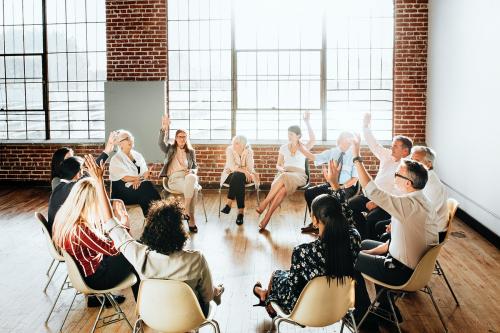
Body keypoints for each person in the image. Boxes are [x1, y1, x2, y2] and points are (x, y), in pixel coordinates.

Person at [350, 134, 439, 324]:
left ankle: (363, 316)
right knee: (364, 243)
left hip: (401, 271)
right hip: (410, 263)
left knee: (351, 259)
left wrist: (356, 157)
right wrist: (370, 251)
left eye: (397, 174)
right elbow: (395, 242)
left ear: (408, 183)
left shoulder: (407, 205)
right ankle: (386, 308)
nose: (394, 176)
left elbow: (372, 190)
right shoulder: (420, 200)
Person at [103, 198, 224, 316]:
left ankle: (216, 291)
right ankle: (217, 291)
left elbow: (114, 229)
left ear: (150, 228)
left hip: (153, 316)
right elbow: (207, 296)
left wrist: (99, 182)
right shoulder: (196, 259)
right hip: (189, 317)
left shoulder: (139, 256)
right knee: (207, 292)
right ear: (179, 229)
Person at [252, 192, 359, 318]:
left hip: (308, 311)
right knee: (286, 276)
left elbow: (292, 287)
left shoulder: (302, 251)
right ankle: (264, 295)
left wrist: (276, 278)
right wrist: (334, 184)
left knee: (276, 275)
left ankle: (265, 296)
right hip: (340, 307)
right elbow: (349, 218)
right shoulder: (355, 237)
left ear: (314, 220)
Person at [52, 155, 140, 304]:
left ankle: (144, 304)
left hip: (87, 269)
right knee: (134, 252)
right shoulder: (80, 228)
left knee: (134, 249)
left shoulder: (66, 216)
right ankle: (144, 306)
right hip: (96, 278)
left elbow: (98, 244)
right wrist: (123, 224)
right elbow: (113, 249)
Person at [348, 113, 413, 239]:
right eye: (392, 144)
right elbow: (374, 144)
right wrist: (365, 126)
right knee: (351, 204)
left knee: (372, 218)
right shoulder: (387, 155)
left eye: (395, 146)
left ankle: (369, 243)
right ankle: (363, 236)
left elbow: (399, 193)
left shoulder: (407, 167)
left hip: (388, 203)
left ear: (405, 151)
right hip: (372, 195)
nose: (391, 147)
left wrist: (378, 203)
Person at [255, 112, 315, 230]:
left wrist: (307, 122)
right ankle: (267, 217)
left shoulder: (304, 147)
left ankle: (264, 203)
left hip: (299, 175)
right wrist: (282, 169)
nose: (289, 136)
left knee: (283, 178)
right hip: (285, 173)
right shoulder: (283, 147)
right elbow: (278, 165)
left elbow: (313, 139)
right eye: (288, 134)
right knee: (282, 190)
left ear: (298, 136)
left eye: (291, 134)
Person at [300, 131, 359, 234]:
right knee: (309, 192)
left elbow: (355, 179)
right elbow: (314, 157)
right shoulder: (332, 152)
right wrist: (300, 148)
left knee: (333, 198)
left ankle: (331, 227)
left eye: (350, 139)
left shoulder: (354, 156)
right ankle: (317, 223)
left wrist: (340, 187)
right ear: (340, 140)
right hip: (330, 184)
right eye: (347, 139)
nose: (349, 142)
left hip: (347, 187)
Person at [158, 114, 201, 232]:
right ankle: (191, 219)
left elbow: (195, 167)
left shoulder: (191, 152)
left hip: (187, 177)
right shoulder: (170, 149)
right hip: (174, 179)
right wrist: (164, 128)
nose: (182, 139)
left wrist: (192, 170)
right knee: (195, 189)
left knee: (192, 177)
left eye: (184, 137)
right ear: (176, 138)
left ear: (187, 138)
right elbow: (161, 143)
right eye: (180, 136)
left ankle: (186, 211)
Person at [109, 129, 161, 217]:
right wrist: (139, 179)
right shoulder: (116, 159)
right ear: (120, 143)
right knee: (147, 187)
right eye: (127, 138)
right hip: (123, 193)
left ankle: (153, 218)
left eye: (131, 138)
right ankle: (160, 213)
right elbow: (125, 178)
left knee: (146, 196)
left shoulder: (137, 155)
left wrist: (145, 175)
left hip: (137, 188)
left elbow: (145, 174)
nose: (130, 140)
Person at [49, 132, 116, 190]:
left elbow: (91, 169)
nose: (72, 161)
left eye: (72, 157)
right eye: (68, 158)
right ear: (60, 162)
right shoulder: (56, 181)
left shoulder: (77, 176)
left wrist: (107, 151)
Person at [411, 146, 449, 242]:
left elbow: (425, 215)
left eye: (417, 161)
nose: (412, 164)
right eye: (411, 160)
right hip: (424, 225)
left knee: (382, 227)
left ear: (428, 164)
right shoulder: (421, 178)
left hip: (432, 232)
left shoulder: (432, 185)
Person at [220, 135, 259, 225]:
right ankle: (240, 213)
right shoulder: (229, 150)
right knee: (238, 176)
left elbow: (249, 168)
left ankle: (229, 203)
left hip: (246, 177)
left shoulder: (249, 152)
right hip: (229, 176)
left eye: (237, 143)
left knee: (238, 175)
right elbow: (231, 166)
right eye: (233, 141)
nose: (233, 144)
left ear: (243, 145)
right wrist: (242, 169)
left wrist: (238, 168)